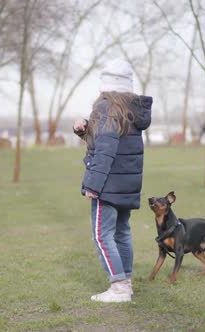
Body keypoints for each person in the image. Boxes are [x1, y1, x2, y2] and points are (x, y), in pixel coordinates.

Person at [73, 59, 153, 303]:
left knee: (101, 234)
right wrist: (85, 130)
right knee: (121, 232)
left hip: (107, 184)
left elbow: (106, 149)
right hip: (126, 184)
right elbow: (113, 140)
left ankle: (118, 288)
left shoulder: (106, 107)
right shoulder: (129, 108)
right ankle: (125, 283)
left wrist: (93, 186)